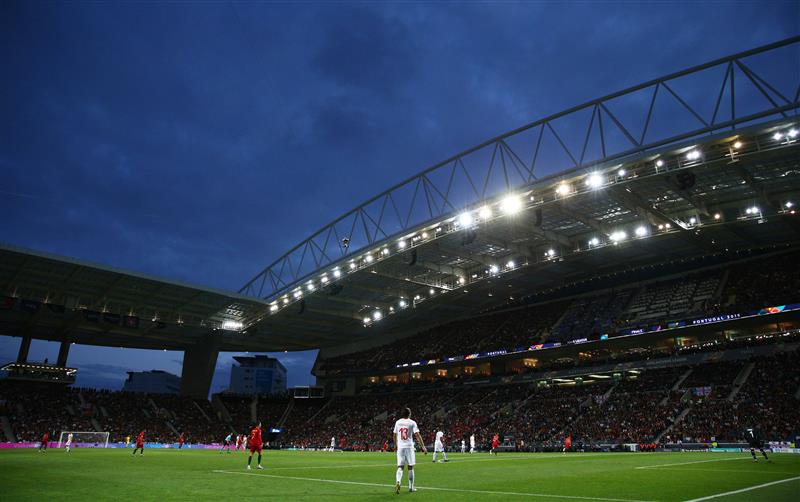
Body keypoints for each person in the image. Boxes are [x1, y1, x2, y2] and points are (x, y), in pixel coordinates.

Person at [392, 407, 428, 494]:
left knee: (400, 467)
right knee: (410, 467)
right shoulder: (412, 423)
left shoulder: (398, 422)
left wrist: (396, 445)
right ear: (409, 414)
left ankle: (398, 482)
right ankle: (411, 487)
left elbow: (394, 435)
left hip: (400, 447)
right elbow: (417, 435)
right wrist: (423, 446)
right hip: (409, 446)